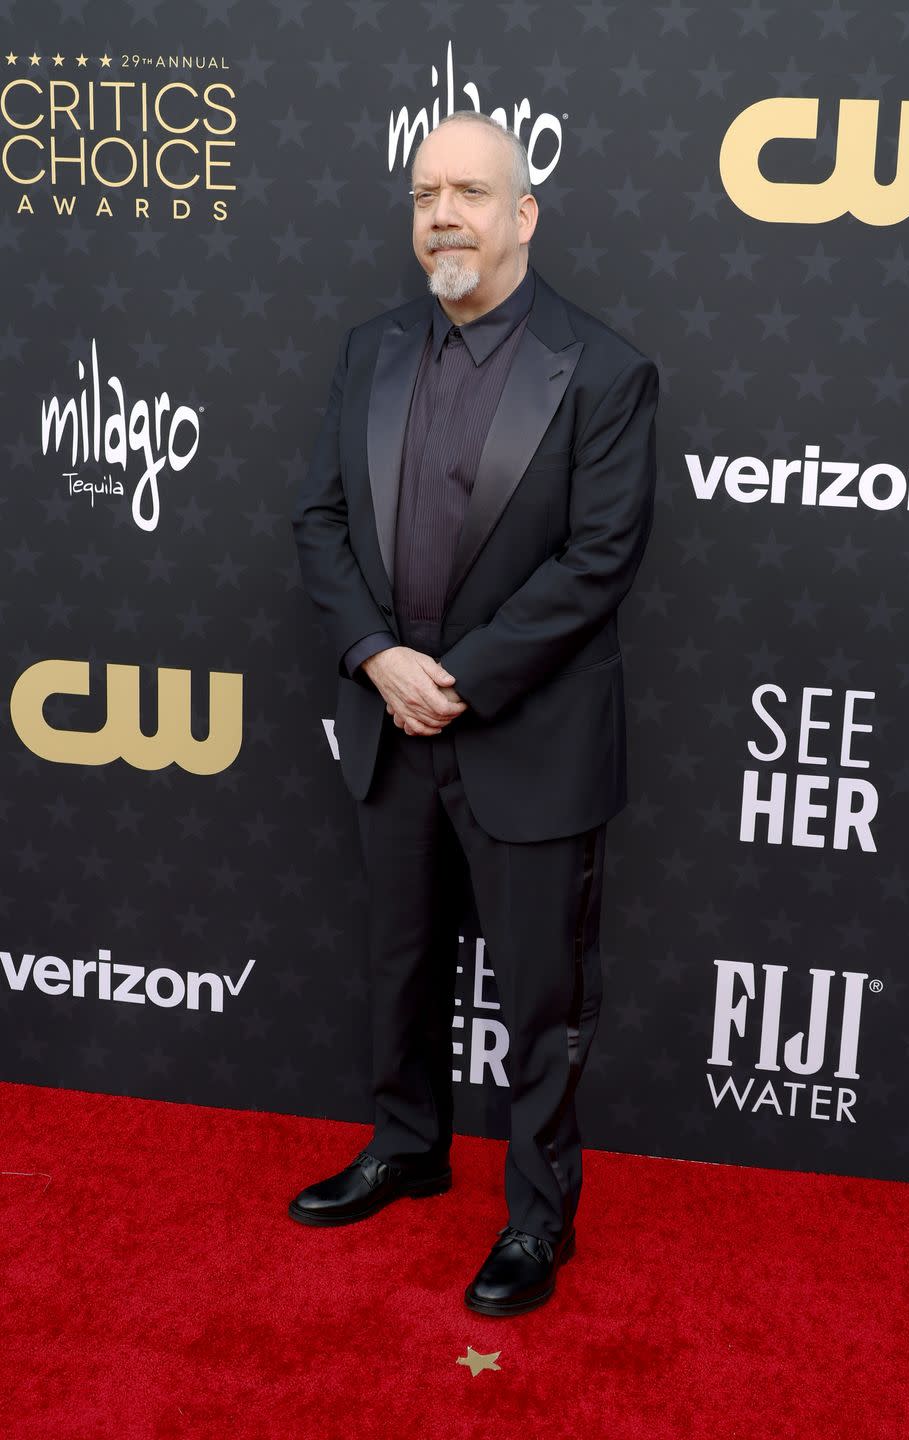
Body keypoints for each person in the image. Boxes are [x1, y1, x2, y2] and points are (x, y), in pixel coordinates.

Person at [289, 109, 658, 1317]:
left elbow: (600, 561)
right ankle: (407, 1144)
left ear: (523, 215)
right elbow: (322, 524)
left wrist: (457, 678)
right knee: (399, 963)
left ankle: (539, 1221)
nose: (442, 214)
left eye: (469, 193)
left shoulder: (602, 369)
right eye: (423, 193)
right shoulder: (369, 350)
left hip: (528, 737)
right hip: (389, 725)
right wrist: (375, 658)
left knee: (542, 993)